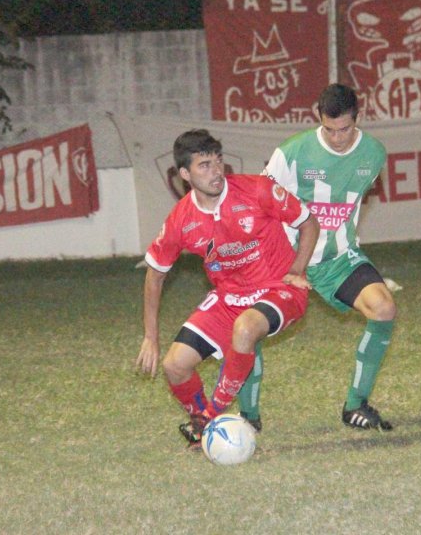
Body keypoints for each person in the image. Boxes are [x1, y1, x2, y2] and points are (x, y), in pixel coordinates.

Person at [135, 129, 319, 448]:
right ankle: (204, 423)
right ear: (184, 174)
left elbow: (308, 222)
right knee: (174, 365)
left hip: (279, 288)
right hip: (229, 297)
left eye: (218, 161)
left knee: (245, 328)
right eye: (204, 165)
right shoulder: (181, 219)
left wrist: (296, 270)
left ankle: (209, 418)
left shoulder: (258, 190)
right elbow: (155, 274)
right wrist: (151, 337)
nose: (216, 171)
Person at [248, 83, 397, 431]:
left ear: (358, 118)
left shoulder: (374, 154)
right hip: (285, 261)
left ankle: (355, 405)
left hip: (338, 260)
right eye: (329, 129)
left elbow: (353, 202)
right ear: (318, 117)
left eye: (345, 129)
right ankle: (248, 417)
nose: (337, 138)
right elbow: (260, 204)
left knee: (384, 308)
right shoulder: (292, 152)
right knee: (247, 328)